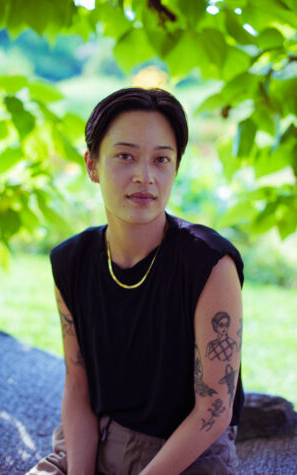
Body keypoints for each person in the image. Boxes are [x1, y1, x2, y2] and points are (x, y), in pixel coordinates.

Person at [27, 87, 244, 475]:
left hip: (186, 455)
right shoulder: (71, 261)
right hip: (96, 441)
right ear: (92, 165)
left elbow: (213, 409)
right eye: (125, 156)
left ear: (175, 168)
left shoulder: (210, 263)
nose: (145, 176)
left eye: (161, 159)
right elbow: (78, 387)